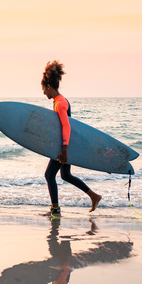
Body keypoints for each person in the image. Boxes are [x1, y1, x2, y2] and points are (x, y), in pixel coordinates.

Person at [41, 61, 101, 215]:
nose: (43, 93)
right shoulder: (58, 101)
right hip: (66, 144)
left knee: (49, 175)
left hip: (64, 146)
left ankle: (55, 209)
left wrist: (64, 149)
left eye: (43, 89)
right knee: (65, 175)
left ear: (49, 86)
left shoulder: (60, 103)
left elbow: (66, 126)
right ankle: (94, 196)